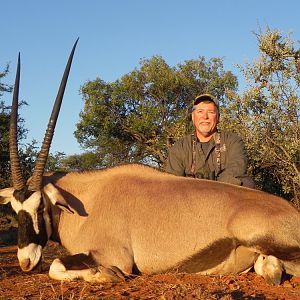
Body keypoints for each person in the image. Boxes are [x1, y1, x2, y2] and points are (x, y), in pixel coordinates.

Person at [165, 93, 255, 187]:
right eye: (200, 111)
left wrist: (210, 190)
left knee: (246, 183)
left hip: (224, 195)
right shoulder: (180, 147)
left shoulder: (233, 141)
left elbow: (237, 168)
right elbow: (173, 181)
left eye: (211, 112)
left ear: (218, 117)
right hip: (190, 197)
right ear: (193, 117)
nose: (205, 117)